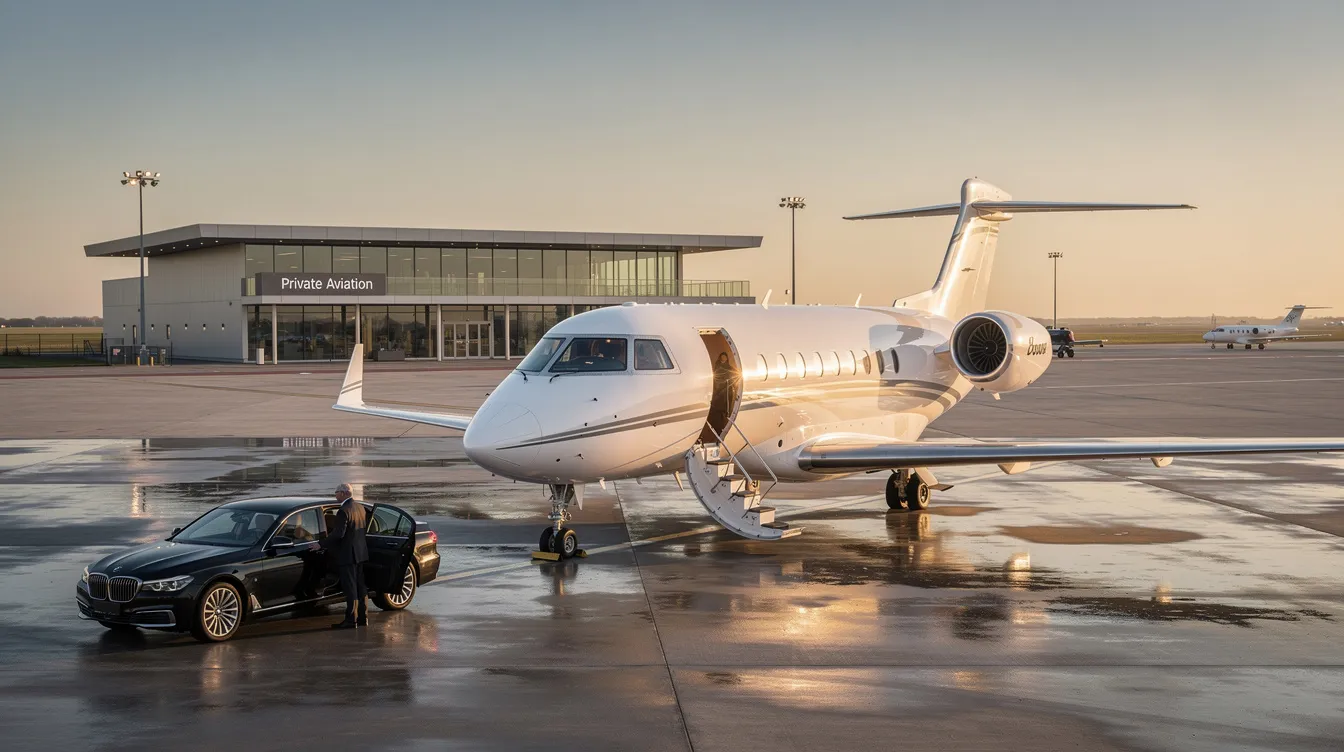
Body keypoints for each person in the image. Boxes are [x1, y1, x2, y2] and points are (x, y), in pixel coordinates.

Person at [322, 483, 369, 629]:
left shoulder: (343, 511)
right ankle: (363, 618)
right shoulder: (360, 508)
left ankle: (351, 620)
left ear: (343, 493)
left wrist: (321, 543)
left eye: (336, 492)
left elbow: (339, 534)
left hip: (348, 555)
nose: (335, 495)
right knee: (360, 587)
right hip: (360, 554)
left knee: (350, 589)